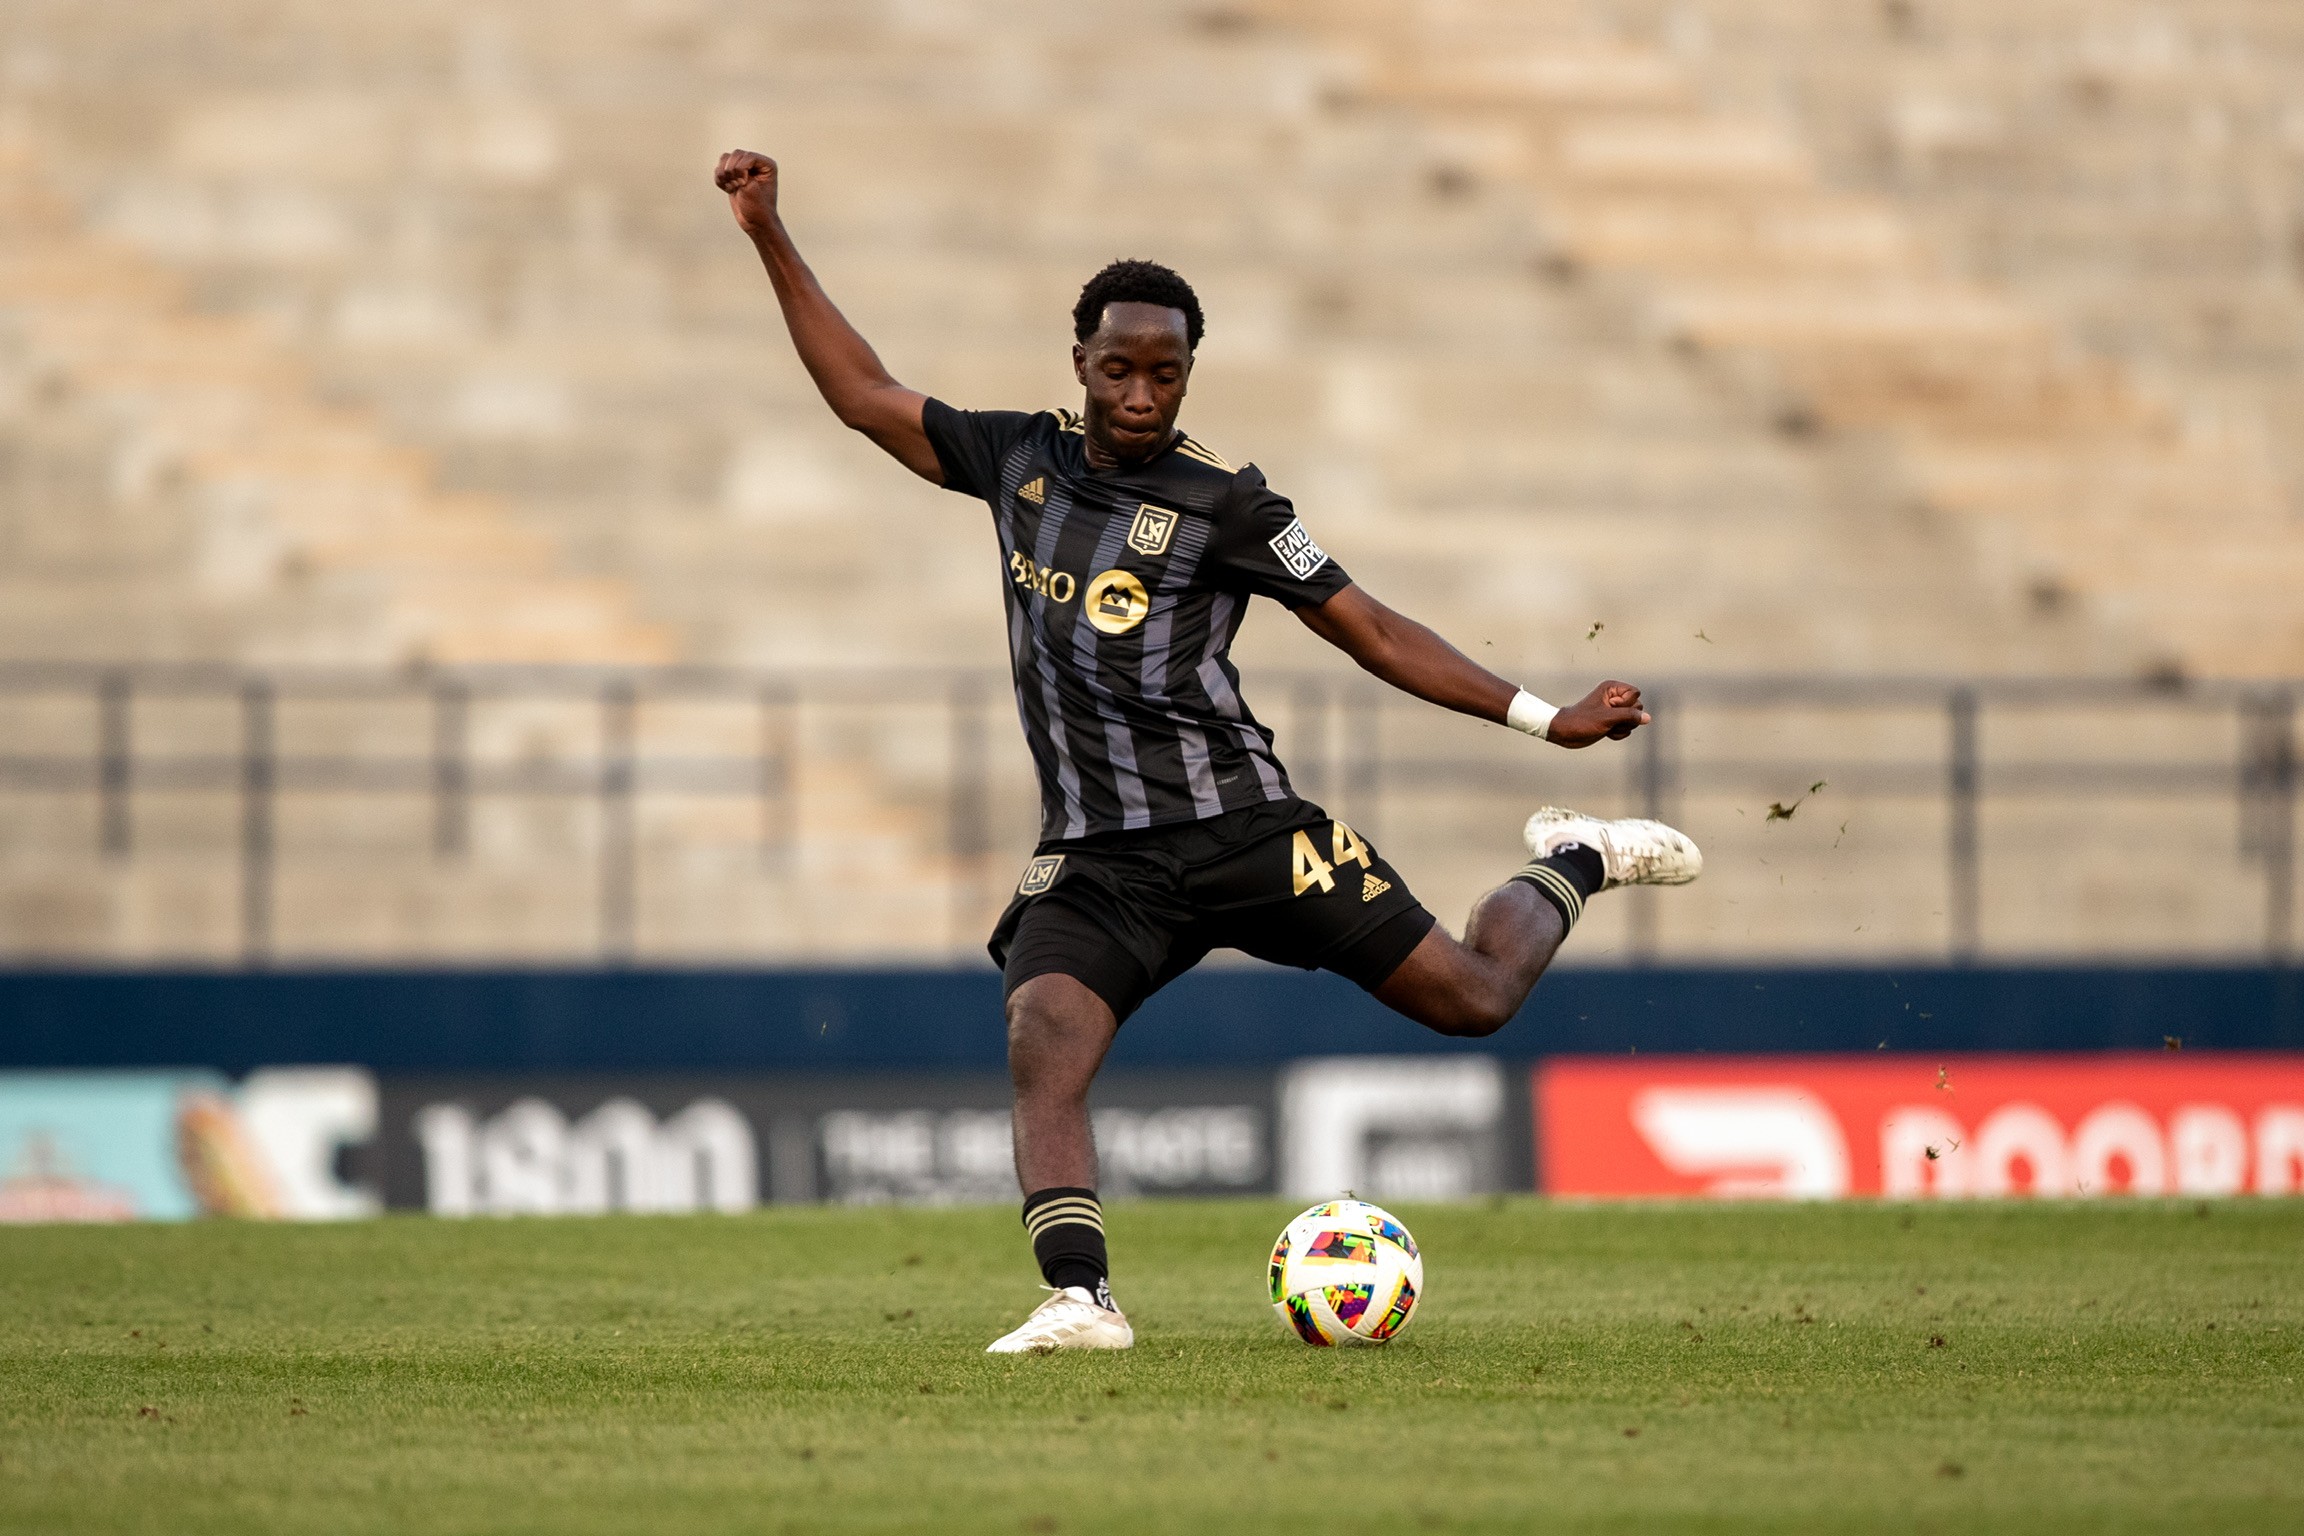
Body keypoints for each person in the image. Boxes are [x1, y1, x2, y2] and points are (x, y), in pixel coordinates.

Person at [715, 150, 1702, 1354]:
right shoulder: (1015, 461)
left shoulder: (1230, 505)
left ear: (1188, 376)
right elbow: (863, 392)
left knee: (1473, 999)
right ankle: (1082, 1298)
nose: (1141, 393)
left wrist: (1549, 719)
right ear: (1078, 360)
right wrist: (768, 230)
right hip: (1098, 859)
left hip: (1242, 832)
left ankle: (1578, 860)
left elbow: (1374, 629)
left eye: (1166, 374)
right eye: (1119, 368)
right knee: (1043, 1033)